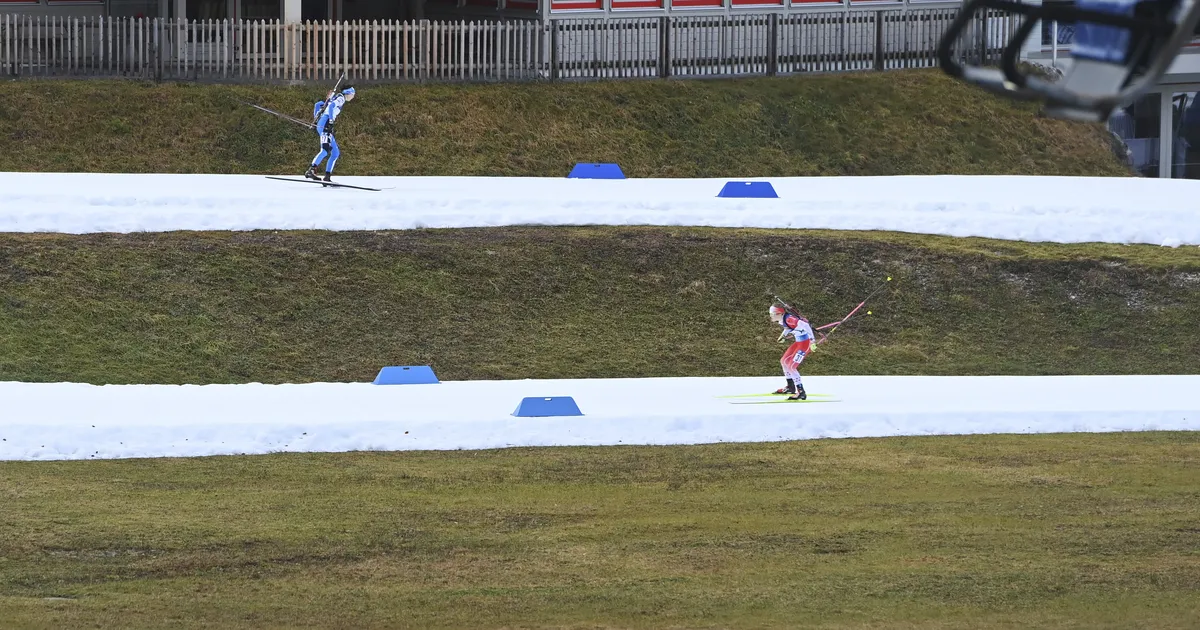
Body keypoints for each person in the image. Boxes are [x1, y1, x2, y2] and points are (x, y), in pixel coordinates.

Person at [305, 86, 356, 183]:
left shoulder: (336, 97)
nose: (353, 97)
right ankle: (311, 170)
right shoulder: (341, 98)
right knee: (325, 150)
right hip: (326, 125)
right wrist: (331, 121)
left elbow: (318, 104)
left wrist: (316, 118)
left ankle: (327, 177)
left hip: (323, 124)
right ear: (348, 93)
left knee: (335, 153)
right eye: (353, 94)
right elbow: (332, 106)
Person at [769, 304, 815, 401]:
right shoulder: (783, 319)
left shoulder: (789, 319)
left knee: (791, 366)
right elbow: (788, 328)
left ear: (779, 313)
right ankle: (790, 387)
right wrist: (783, 336)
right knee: (784, 361)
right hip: (799, 342)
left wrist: (813, 341)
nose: (771, 316)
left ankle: (801, 392)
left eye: (772, 314)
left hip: (805, 344)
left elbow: (805, 325)